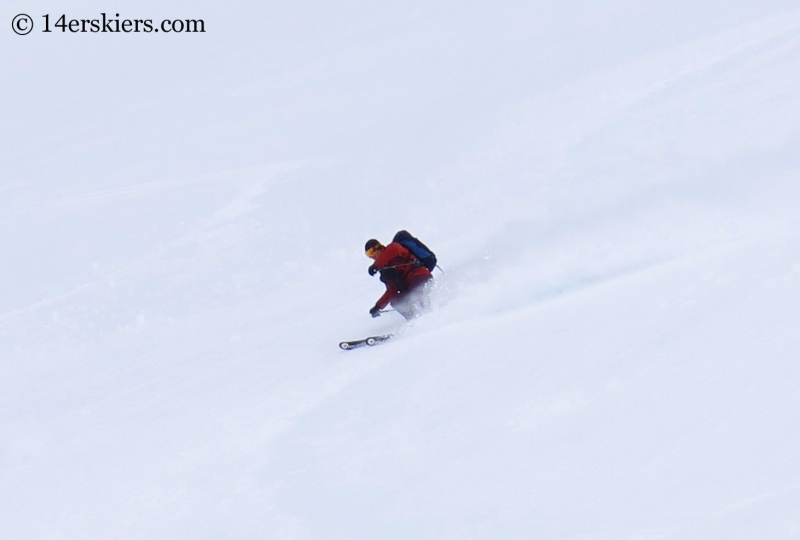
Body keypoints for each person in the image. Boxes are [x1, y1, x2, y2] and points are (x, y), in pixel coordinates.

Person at [365, 238, 433, 320]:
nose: (372, 257)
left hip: (420, 275)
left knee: (416, 293)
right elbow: (392, 291)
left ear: (378, 247)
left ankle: (429, 314)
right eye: (368, 255)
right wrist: (378, 306)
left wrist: (376, 265)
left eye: (372, 252)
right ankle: (414, 319)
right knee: (396, 301)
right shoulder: (384, 269)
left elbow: (391, 251)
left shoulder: (393, 248)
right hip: (410, 284)